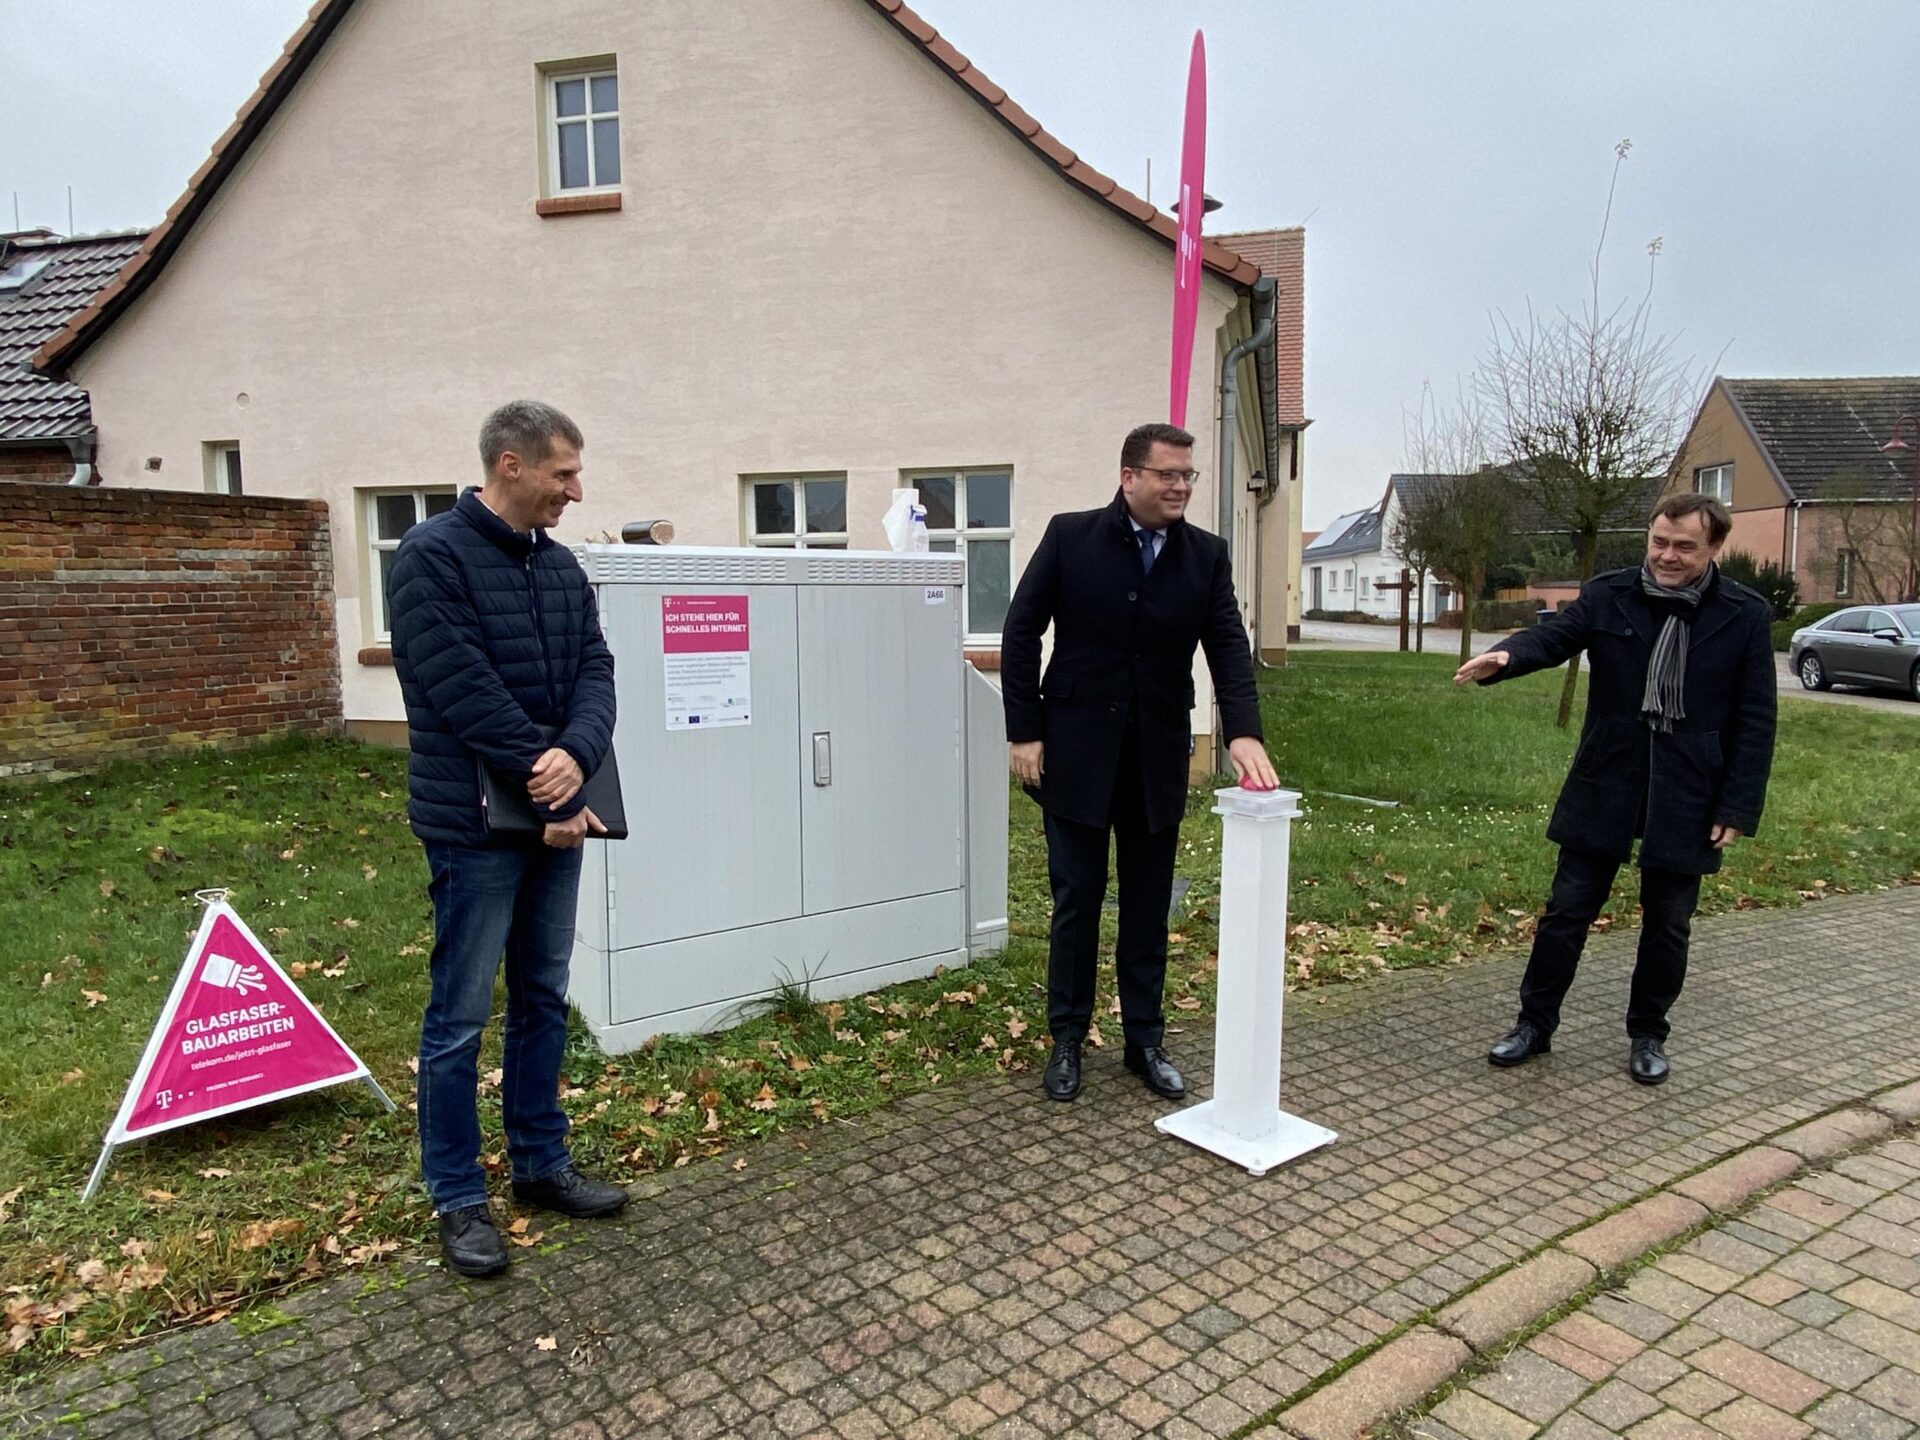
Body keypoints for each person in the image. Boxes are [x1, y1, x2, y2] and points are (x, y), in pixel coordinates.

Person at [388, 400, 625, 1277]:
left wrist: (579, 754)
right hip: (473, 827)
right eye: (563, 472)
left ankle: (538, 1165)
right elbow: (456, 684)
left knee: (541, 998)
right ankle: (457, 1198)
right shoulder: (429, 558)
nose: (575, 488)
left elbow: (596, 670)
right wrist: (548, 770)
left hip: (555, 818)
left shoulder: (561, 568)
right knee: (457, 1019)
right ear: (511, 465)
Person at [1453, 492, 1776, 1085]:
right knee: (1566, 911)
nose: (1667, 556)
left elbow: (1756, 718)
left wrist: (1738, 803)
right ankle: (1534, 1025)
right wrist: (1506, 655)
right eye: (1659, 542)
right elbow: (1554, 637)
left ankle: (1648, 1033)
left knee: (1668, 922)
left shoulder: (1745, 613)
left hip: (1690, 790)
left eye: (1684, 546)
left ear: (1714, 547)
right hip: (1608, 777)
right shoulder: (1610, 593)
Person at [1002, 422, 1280, 1104]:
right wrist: (1024, 732)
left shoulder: (1206, 557)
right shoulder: (1071, 538)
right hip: (1074, 755)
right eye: (1168, 475)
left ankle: (1144, 1042)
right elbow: (1020, 630)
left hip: (1155, 756)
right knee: (1077, 902)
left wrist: (1242, 731)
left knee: (1149, 905)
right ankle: (1066, 1040)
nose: (1182, 485)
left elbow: (1227, 648)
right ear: (1129, 477)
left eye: (1188, 475)